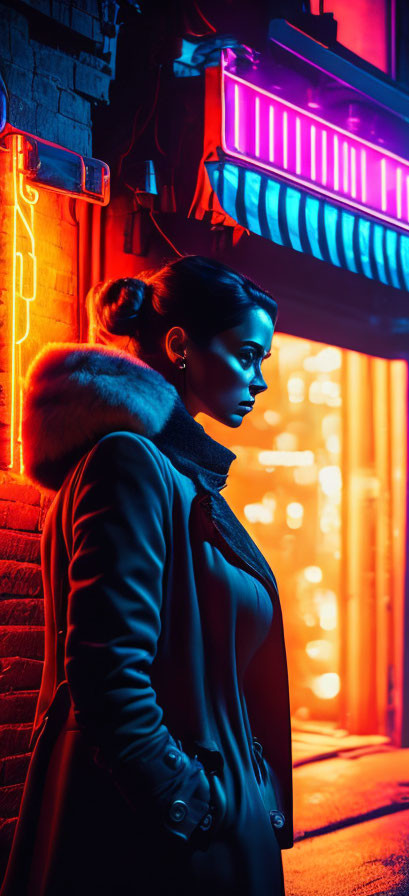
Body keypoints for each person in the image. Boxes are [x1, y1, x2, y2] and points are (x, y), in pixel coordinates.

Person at [0, 256, 292, 896]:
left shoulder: (175, 474)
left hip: (196, 831)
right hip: (153, 851)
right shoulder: (132, 464)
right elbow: (108, 675)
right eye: (248, 354)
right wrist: (191, 803)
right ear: (180, 344)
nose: (259, 379)